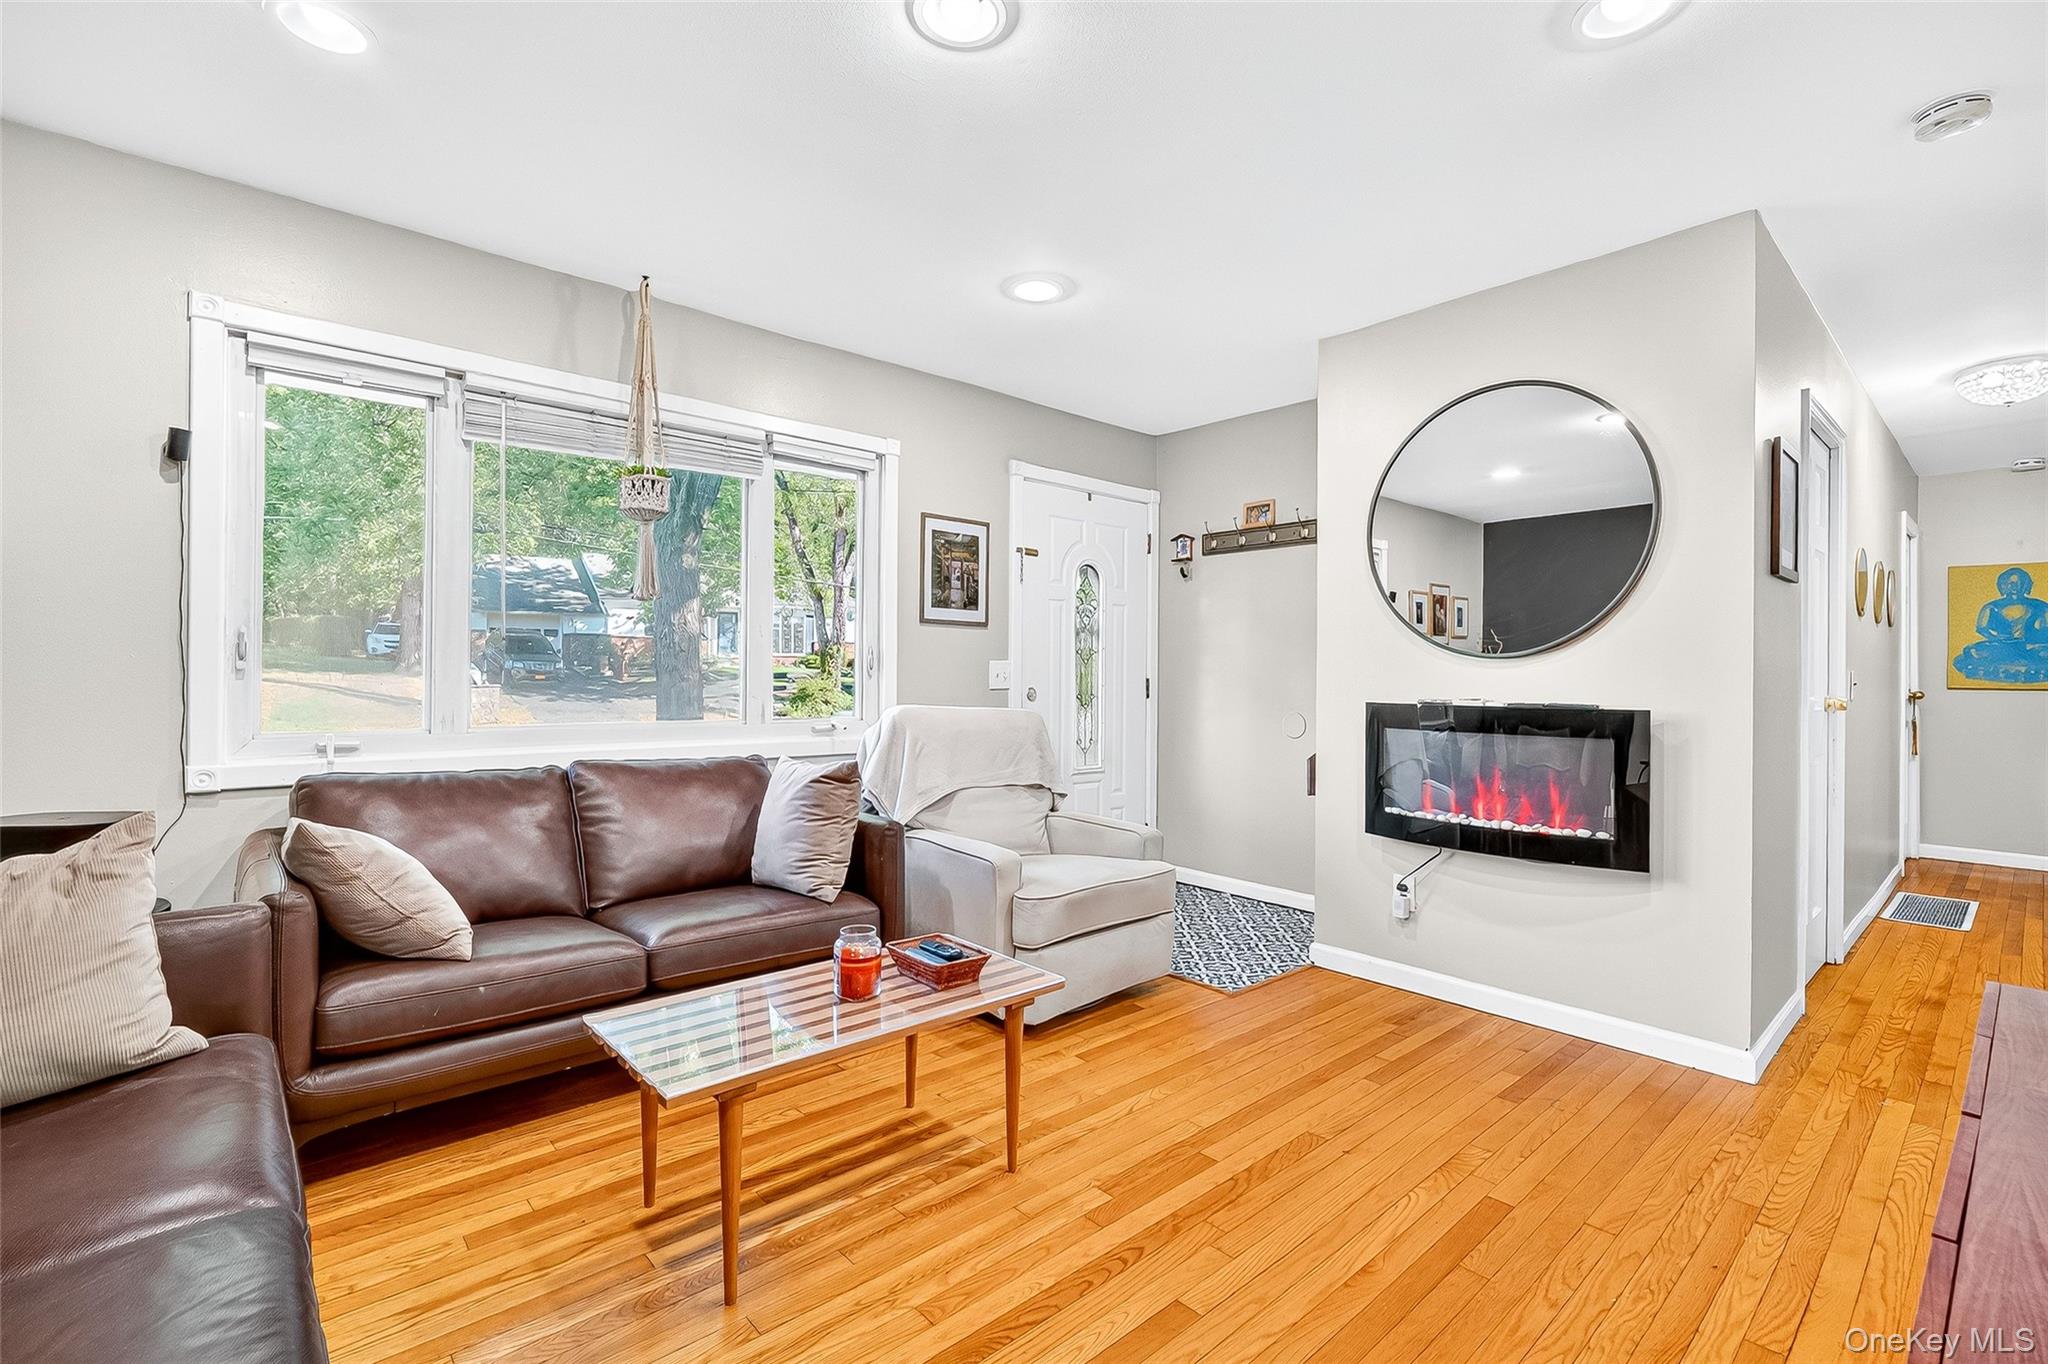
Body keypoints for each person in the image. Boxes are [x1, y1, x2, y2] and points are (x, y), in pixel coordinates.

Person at [1952, 565, 2048, 685]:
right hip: (2002, 646)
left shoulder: (2039, 606)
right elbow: (1982, 629)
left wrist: (2033, 639)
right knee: (1971, 651)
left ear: (2026, 585)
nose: (2014, 586)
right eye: (2010, 583)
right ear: (2002, 585)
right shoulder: (1992, 607)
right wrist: (2002, 638)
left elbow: (2045, 630)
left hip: (2030, 646)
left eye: (2019, 582)